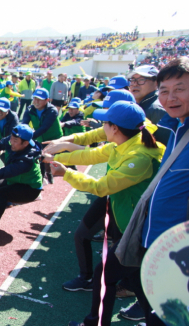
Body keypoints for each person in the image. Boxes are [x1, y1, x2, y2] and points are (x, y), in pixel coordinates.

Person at [87, 58, 189, 326]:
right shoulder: (178, 127)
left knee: (165, 314)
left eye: (180, 89)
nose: (170, 96)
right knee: (161, 316)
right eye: (165, 90)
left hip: (178, 249)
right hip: (156, 241)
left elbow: (103, 184)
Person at [47, 101, 163, 295]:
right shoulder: (124, 143)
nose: (102, 128)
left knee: (129, 265)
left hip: (134, 216)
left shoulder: (138, 156)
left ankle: (129, 311)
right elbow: (90, 155)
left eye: (105, 123)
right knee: (124, 261)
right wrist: (57, 157)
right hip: (121, 206)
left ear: (115, 128)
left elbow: (101, 187)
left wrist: (66, 173)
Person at [21, 88, 63, 184]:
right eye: (35, 98)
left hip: (55, 138)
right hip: (40, 138)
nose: (36, 101)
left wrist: (28, 138)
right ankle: (42, 179)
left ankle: (52, 173)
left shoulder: (52, 110)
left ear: (47, 100)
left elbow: (44, 127)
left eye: (40, 99)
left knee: (56, 159)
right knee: (41, 158)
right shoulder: (30, 109)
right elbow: (24, 124)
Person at [127, 64, 173, 145]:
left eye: (141, 80)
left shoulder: (157, 109)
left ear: (156, 83)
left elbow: (163, 147)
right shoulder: (138, 105)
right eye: (132, 80)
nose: (135, 84)